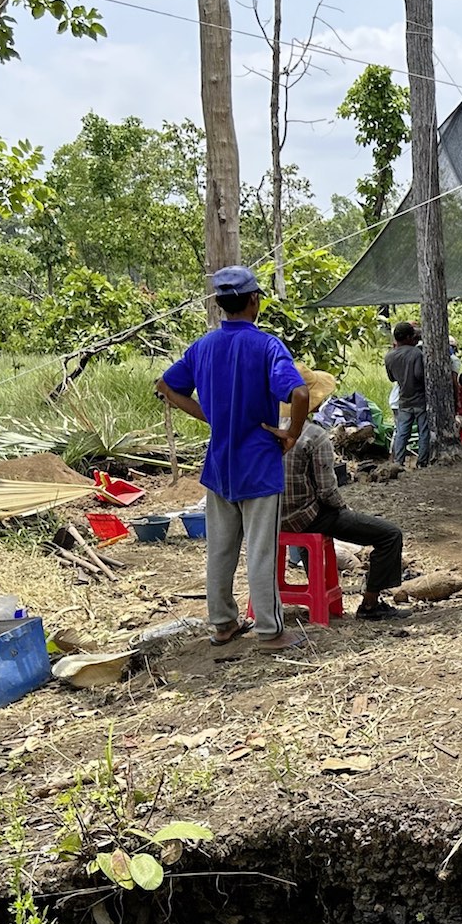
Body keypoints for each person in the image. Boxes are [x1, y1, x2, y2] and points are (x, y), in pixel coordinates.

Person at [157, 266, 308, 650]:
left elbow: (166, 386)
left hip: (219, 463)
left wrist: (210, 415)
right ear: (254, 299)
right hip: (258, 462)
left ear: (221, 304)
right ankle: (270, 631)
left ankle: (223, 625)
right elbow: (301, 395)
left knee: (220, 551)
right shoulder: (267, 346)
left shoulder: (203, 347)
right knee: (260, 549)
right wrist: (291, 434)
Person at [281, 369, 408, 622]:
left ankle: (315, 587)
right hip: (307, 517)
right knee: (389, 535)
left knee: (312, 533)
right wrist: (345, 509)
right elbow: (327, 492)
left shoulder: (269, 430)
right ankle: (370, 604)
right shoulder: (314, 436)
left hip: (272, 518)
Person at [385, 320, 430, 468]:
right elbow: (419, 375)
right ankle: (422, 462)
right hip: (419, 398)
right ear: (409, 337)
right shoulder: (416, 353)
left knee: (402, 432)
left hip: (403, 399)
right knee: (424, 432)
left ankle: (399, 461)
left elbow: (392, 378)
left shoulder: (389, 356)